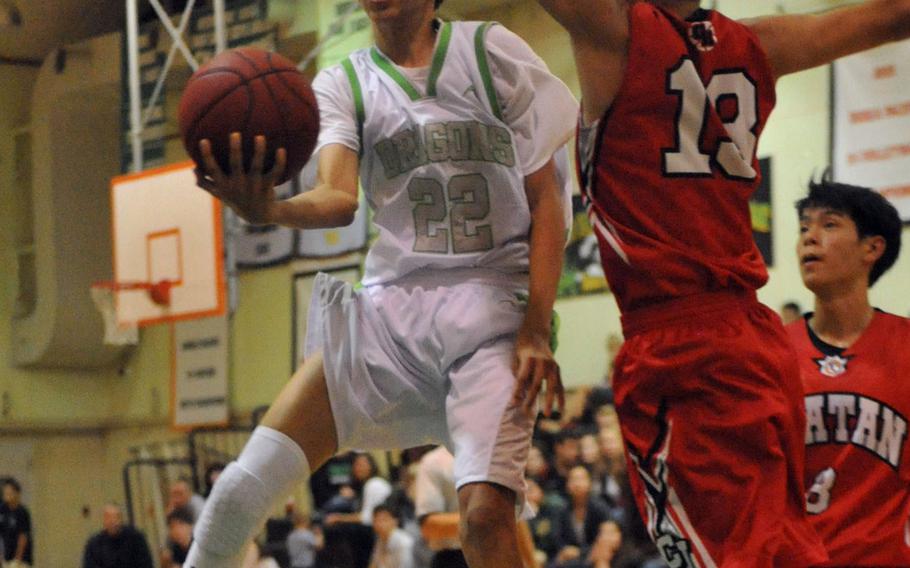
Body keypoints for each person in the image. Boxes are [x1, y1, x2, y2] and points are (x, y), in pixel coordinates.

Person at [187, 0, 576, 566]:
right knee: (237, 492)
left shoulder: (491, 52)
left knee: (488, 520)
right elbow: (339, 198)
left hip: (493, 311)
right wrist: (272, 209)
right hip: (390, 317)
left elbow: (548, 200)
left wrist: (537, 328)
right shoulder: (344, 81)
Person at [534, 0, 910, 565]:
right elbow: (889, 16)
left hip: (681, 353)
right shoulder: (759, 44)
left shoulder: (616, 31)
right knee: (782, 552)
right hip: (757, 345)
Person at [786, 175, 908, 566]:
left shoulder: (905, 346)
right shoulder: (770, 350)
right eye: (804, 227)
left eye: (829, 224)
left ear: (872, 248)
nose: (809, 236)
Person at [81, 503, 154, 568]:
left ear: (121, 519)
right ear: (104, 520)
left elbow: (146, 564)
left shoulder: (136, 539)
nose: (113, 521)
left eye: (116, 517)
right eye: (108, 517)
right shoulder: (94, 544)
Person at [0, 478, 32, 567]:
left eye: (10, 491)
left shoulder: (22, 512)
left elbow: (23, 536)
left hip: (21, 560)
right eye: (5, 491)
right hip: (6, 558)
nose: (7, 494)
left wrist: (17, 559)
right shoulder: (2, 509)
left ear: (17, 493)